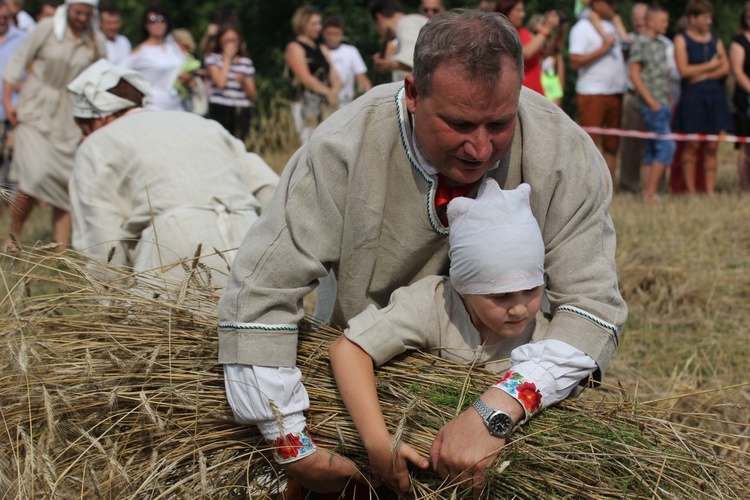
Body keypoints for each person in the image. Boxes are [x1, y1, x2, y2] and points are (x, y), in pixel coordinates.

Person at [218, 9, 626, 495]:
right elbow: (261, 291)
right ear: (412, 94)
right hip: (360, 395)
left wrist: (496, 411)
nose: (480, 148)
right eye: (459, 123)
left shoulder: (565, 154)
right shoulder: (343, 147)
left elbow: (592, 306)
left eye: (499, 123)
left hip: (508, 395)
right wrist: (291, 444)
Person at [330, 180, 557, 494]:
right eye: (500, 295)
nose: (519, 307)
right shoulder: (432, 304)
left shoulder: (546, 338)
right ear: (464, 286)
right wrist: (379, 443)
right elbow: (348, 350)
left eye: (532, 289)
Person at [67, 60, 278, 288]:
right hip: (247, 239)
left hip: (173, 249)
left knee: (172, 324)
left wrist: (110, 297)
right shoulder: (203, 124)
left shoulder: (96, 143)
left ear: (100, 117)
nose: (84, 138)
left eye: (85, 129)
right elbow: (270, 188)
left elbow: (101, 235)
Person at [1, 0, 105, 253]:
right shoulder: (47, 28)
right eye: (77, 12)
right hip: (36, 108)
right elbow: (18, 62)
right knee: (33, 176)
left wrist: (97, 119)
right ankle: (12, 237)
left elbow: (102, 78)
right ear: (69, 9)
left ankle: (62, 249)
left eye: (86, 14)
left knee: (63, 182)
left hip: (70, 118)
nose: (81, 18)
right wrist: (7, 100)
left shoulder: (95, 39)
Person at [672, 0, 731, 196]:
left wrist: (704, 74)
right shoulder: (681, 39)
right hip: (692, 98)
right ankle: (691, 191)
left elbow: (725, 67)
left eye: (709, 17)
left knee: (712, 145)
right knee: (692, 144)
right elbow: (684, 70)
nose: (709, 21)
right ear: (693, 18)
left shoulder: (715, 39)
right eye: (705, 17)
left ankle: (710, 191)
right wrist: (711, 65)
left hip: (714, 97)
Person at [569, 0, 628, 185]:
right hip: (592, 93)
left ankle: (609, 189)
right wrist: (602, 49)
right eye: (609, 3)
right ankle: (588, 188)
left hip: (616, 93)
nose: (614, 6)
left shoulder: (613, 26)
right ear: (597, 4)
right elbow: (574, 61)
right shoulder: (582, 28)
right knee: (590, 145)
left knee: (612, 145)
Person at [629, 5, 676, 203]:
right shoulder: (641, 43)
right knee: (667, 146)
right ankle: (651, 193)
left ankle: (647, 193)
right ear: (650, 21)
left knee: (652, 148)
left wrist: (667, 100)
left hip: (662, 102)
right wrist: (651, 101)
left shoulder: (661, 44)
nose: (667, 24)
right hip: (651, 104)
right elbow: (634, 74)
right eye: (663, 21)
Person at [284, 5, 340, 144]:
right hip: (305, 105)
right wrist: (328, 92)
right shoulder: (295, 47)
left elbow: (334, 74)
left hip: (325, 105)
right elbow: (304, 77)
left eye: (319, 23)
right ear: (303, 24)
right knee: (308, 143)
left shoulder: (321, 48)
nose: (318, 28)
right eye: (314, 24)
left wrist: (334, 91)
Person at [120, 6, 184, 111]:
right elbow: (119, 72)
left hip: (177, 106)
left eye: (162, 19)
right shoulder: (141, 51)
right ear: (146, 25)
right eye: (152, 20)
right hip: (154, 107)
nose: (158, 24)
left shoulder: (173, 47)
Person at [496, 0, 560, 96]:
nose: (523, 14)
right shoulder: (502, 34)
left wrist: (552, 30)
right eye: (519, 11)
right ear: (507, 11)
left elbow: (545, 50)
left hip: (535, 91)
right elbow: (524, 53)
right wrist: (546, 30)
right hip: (521, 94)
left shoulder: (522, 31)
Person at [204, 23, 257, 139]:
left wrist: (243, 82)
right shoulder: (213, 59)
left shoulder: (246, 62)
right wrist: (227, 59)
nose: (231, 44)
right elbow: (220, 82)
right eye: (227, 41)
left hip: (240, 108)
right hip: (219, 107)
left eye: (234, 40)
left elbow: (252, 95)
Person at [618, 2, 648, 195]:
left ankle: (652, 187)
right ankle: (629, 186)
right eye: (635, 17)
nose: (638, 21)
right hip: (632, 95)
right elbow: (624, 42)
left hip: (655, 97)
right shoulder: (627, 40)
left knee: (654, 145)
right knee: (630, 145)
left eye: (642, 17)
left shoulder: (664, 43)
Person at [0, 2, 25, 193]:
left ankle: (8, 203)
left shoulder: (23, 39)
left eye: (5, 18)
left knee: (13, 158)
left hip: (13, 109)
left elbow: (35, 71)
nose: (2, 21)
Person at [370, 0, 427, 83]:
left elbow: (417, 58)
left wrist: (389, 64)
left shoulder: (406, 22)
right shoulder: (410, 24)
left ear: (379, 18)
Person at [321, 15, 372, 107]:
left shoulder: (351, 51)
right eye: (329, 33)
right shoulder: (318, 51)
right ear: (323, 33)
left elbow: (362, 78)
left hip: (346, 105)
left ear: (342, 34)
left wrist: (370, 100)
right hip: (324, 106)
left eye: (336, 34)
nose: (332, 37)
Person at [729, 2, 750, 193]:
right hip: (746, 99)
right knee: (746, 145)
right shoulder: (739, 41)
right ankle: (746, 188)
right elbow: (737, 71)